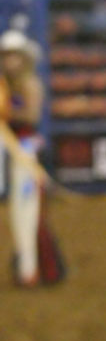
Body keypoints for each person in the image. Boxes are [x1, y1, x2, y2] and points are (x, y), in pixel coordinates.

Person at [0, 26, 64, 287]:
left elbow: (31, 116)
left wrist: (5, 114)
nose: (8, 61)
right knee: (18, 211)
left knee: (30, 211)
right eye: (5, 56)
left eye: (13, 55)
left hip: (28, 150)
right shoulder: (6, 86)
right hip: (15, 149)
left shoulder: (29, 84)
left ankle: (36, 269)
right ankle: (28, 265)